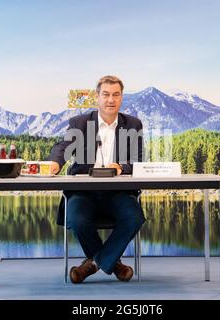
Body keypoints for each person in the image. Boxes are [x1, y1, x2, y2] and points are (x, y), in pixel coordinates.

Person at [47, 75, 145, 283]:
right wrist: (55, 163)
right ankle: (113, 264)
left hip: (118, 193)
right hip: (84, 192)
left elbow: (138, 160)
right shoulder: (80, 122)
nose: (111, 100)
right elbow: (62, 147)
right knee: (76, 218)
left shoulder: (133, 124)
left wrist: (121, 167)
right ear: (97, 97)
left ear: (121, 98)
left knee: (134, 217)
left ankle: (92, 264)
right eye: (106, 94)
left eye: (116, 95)